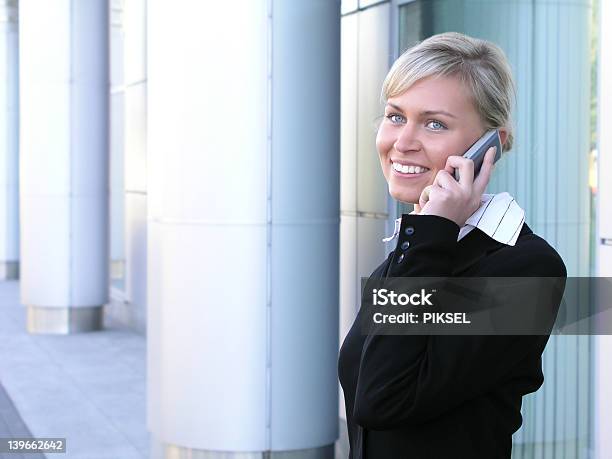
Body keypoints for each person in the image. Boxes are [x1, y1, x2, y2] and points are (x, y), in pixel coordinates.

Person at [337, 32, 567, 458]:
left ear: (489, 147)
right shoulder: (420, 247)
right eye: (395, 116)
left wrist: (430, 234)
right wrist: (429, 233)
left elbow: (383, 398)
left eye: (435, 123)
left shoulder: (528, 268)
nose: (402, 142)